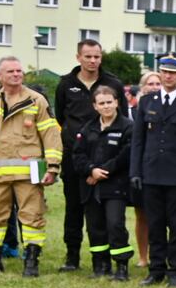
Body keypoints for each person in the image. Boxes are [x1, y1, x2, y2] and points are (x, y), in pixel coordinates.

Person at [0, 56, 63, 277]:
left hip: (29, 173)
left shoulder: (36, 100)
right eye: (10, 71)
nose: (16, 74)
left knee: (32, 217)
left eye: (19, 71)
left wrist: (52, 167)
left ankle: (31, 262)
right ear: (0, 76)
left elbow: (50, 135)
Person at [129, 53, 176, 288]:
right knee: (155, 224)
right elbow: (138, 141)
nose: (168, 76)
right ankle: (156, 269)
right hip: (151, 172)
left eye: (173, 72)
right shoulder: (147, 102)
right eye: (164, 71)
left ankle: (175, 270)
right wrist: (135, 171)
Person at [54, 39, 126, 273]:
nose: (93, 61)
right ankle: (72, 256)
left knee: (104, 213)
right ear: (78, 57)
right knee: (73, 209)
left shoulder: (113, 83)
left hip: (107, 161)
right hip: (76, 157)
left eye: (97, 56)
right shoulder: (66, 84)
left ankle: (106, 260)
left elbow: (123, 120)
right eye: (88, 56)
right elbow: (61, 117)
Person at [71, 85, 133, 281]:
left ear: (116, 102)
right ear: (95, 106)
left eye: (109, 102)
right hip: (91, 187)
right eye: (101, 103)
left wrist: (102, 172)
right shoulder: (87, 128)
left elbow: (125, 156)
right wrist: (91, 170)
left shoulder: (127, 127)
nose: (106, 106)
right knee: (94, 227)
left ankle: (121, 266)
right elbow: (77, 154)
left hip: (116, 186)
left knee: (115, 225)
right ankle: (101, 265)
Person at [131, 70, 161, 269]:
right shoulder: (132, 111)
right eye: (150, 84)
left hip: (162, 169)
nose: (155, 87)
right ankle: (143, 257)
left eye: (158, 83)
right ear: (142, 87)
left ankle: (161, 254)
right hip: (141, 169)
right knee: (142, 215)